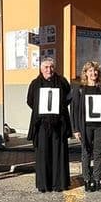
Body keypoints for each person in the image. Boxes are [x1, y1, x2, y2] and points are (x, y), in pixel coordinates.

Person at [27, 56, 71, 193]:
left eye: (51, 67)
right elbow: (30, 101)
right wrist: (42, 112)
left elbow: (68, 98)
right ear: (41, 69)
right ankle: (44, 184)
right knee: (43, 154)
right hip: (41, 124)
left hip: (59, 124)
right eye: (46, 67)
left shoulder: (62, 81)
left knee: (59, 153)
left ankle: (59, 184)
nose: (49, 70)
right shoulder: (35, 83)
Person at [70, 61, 101, 192]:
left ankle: (97, 180)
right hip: (85, 126)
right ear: (86, 73)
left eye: (95, 71)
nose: (93, 73)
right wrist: (75, 129)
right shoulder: (79, 89)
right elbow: (74, 110)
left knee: (98, 153)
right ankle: (87, 180)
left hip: (100, 126)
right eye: (90, 71)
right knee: (86, 153)